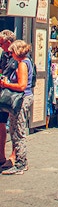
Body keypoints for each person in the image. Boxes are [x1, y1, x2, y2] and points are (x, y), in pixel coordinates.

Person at [0, 40, 34, 175]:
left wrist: (6, 84)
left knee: (18, 131)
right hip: (23, 98)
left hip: (21, 99)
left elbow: (22, 86)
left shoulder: (22, 64)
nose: (10, 53)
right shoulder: (25, 62)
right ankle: (20, 161)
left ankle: (21, 163)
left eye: (12, 51)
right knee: (15, 129)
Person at [0, 30, 17, 169]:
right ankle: (1, 155)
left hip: (14, 94)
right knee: (1, 122)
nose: (0, 46)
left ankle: (14, 155)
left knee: (14, 126)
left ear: (9, 42)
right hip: (3, 93)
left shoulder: (19, 56)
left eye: (1, 43)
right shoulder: (4, 56)